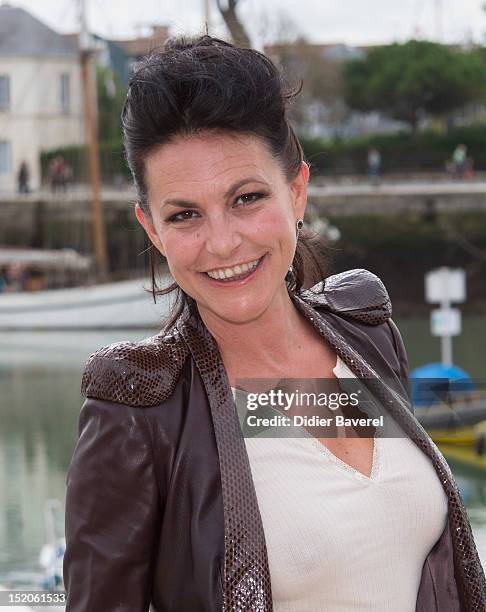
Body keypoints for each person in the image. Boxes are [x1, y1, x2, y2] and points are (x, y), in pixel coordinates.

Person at [63, 35, 486, 611]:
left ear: (297, 192)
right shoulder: (140, 410)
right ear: (152, 231)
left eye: (247, 198)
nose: (222, 241)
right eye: (184, 214)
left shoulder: (365, 328)